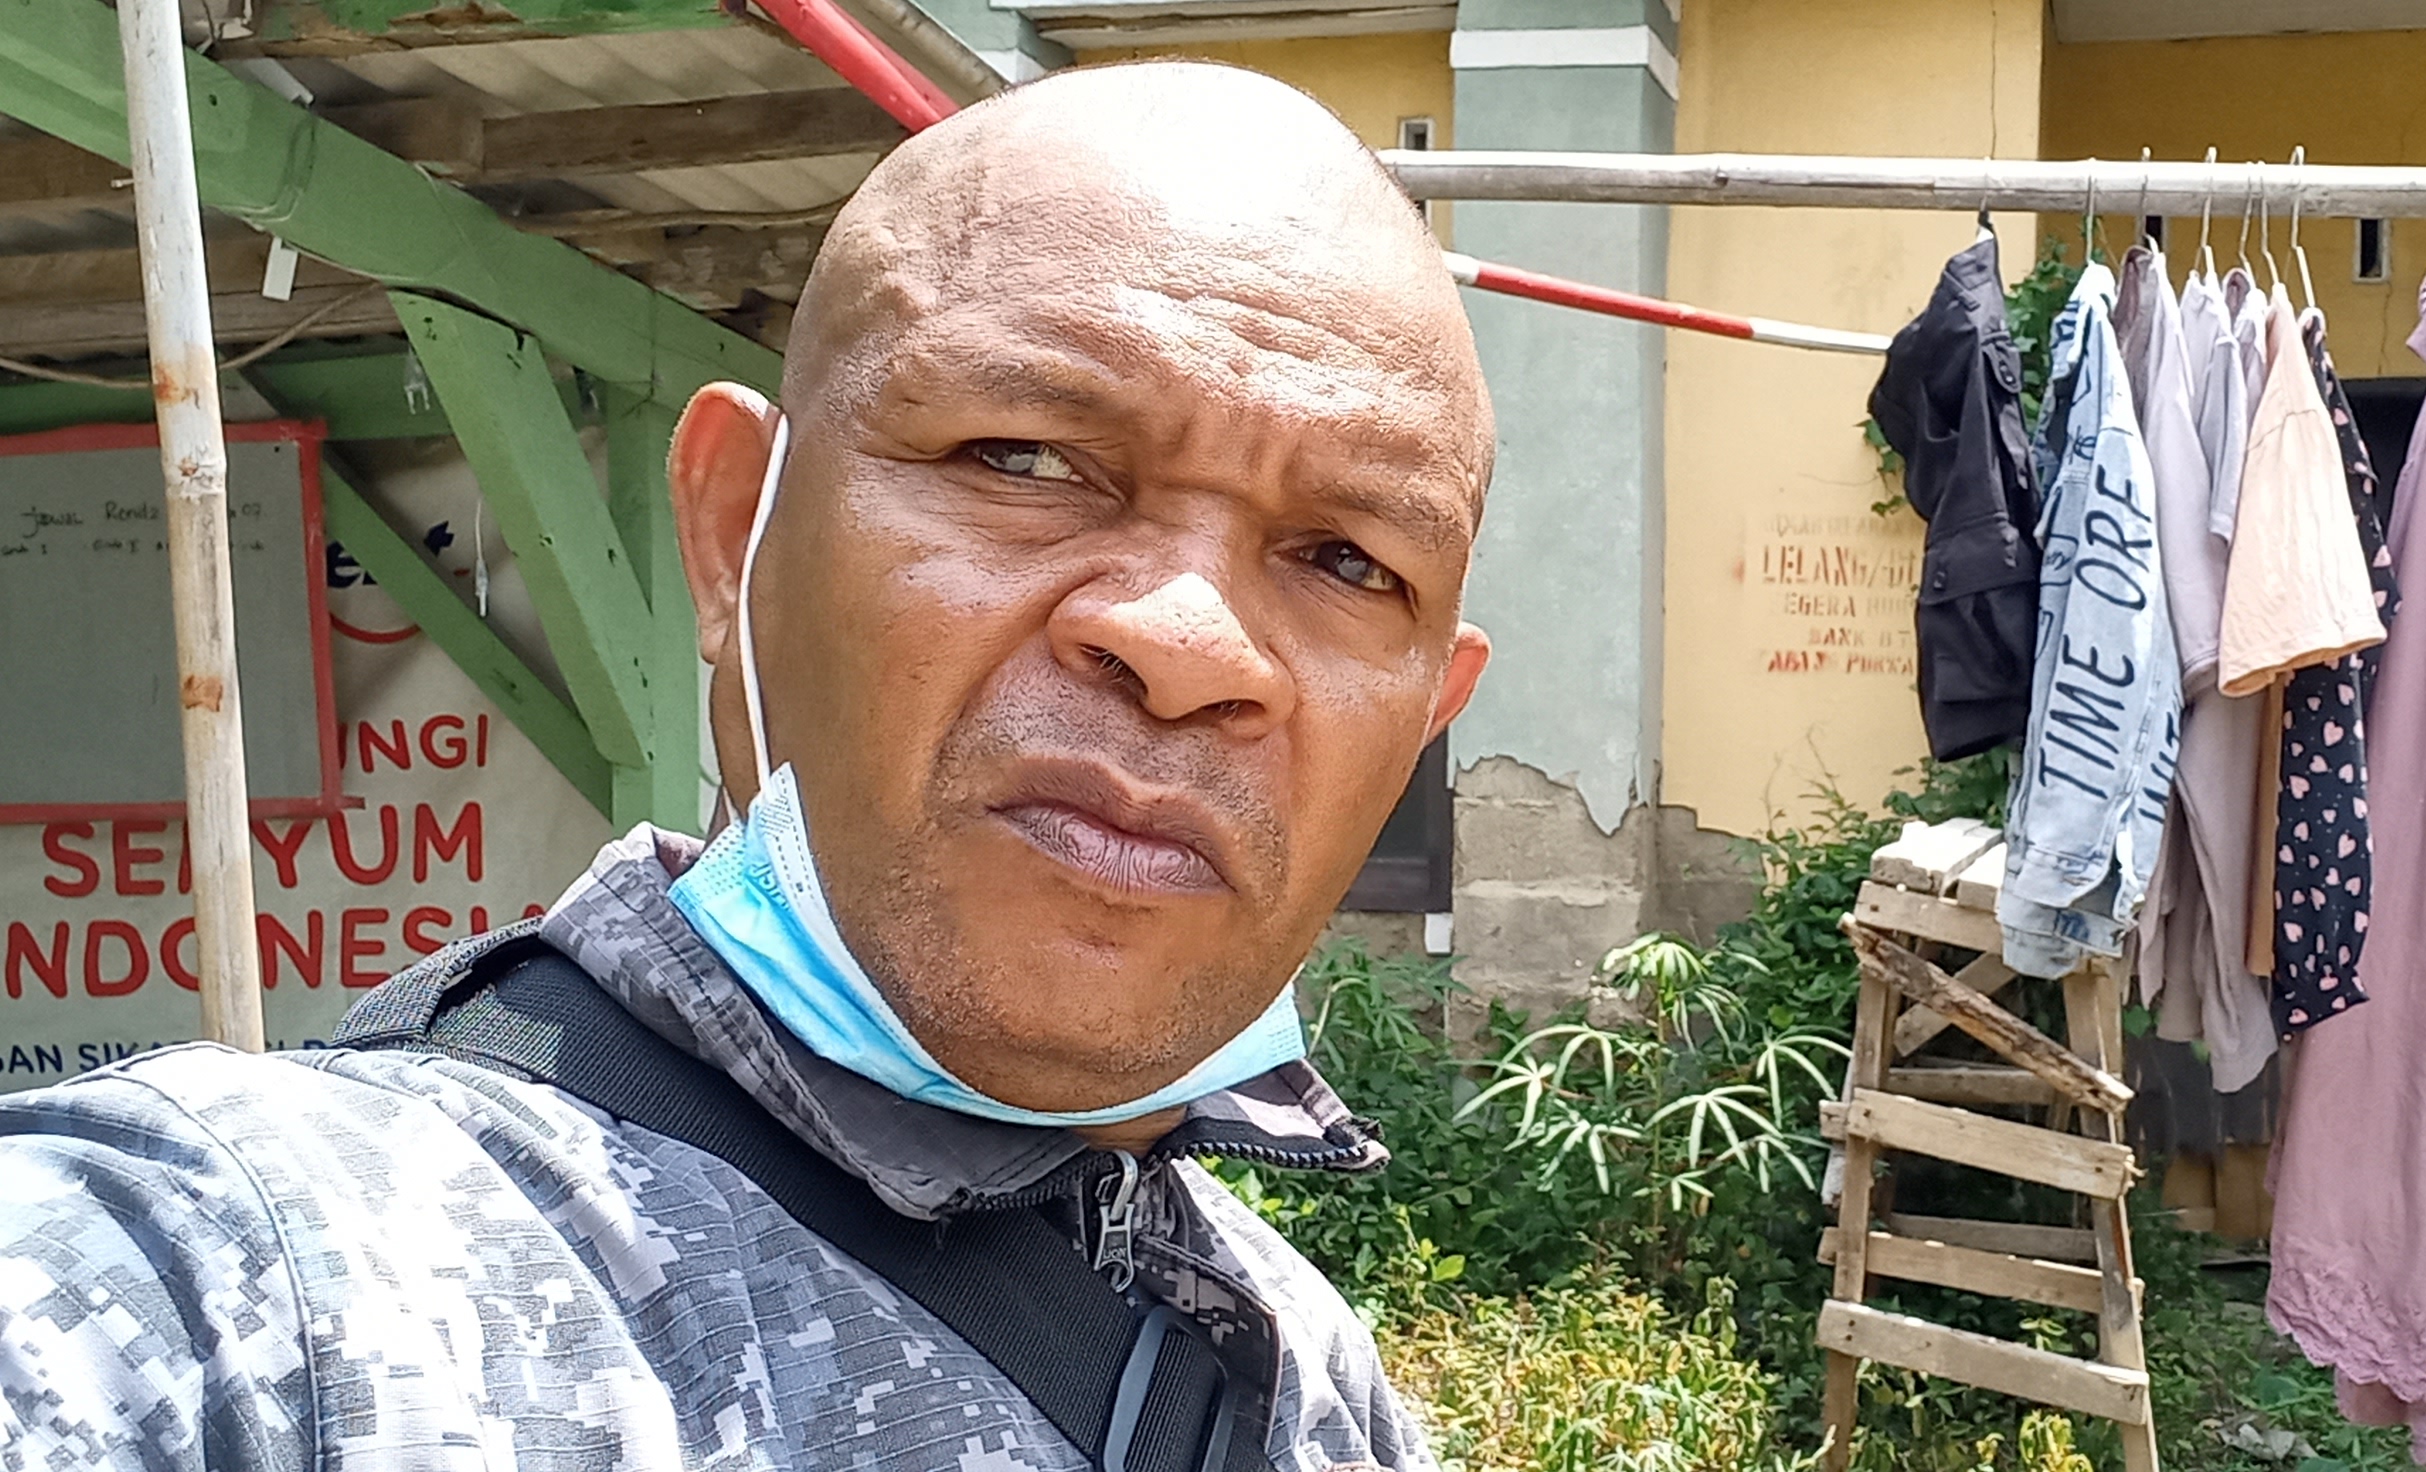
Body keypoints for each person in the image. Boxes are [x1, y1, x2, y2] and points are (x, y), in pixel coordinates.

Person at [0, 60, 1491, 1471]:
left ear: (1424, 721)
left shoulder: (1300, 1367)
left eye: (1347, 560)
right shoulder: (250, 1282)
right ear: (732, 535)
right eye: (1025, 460)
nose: (1188, 644)